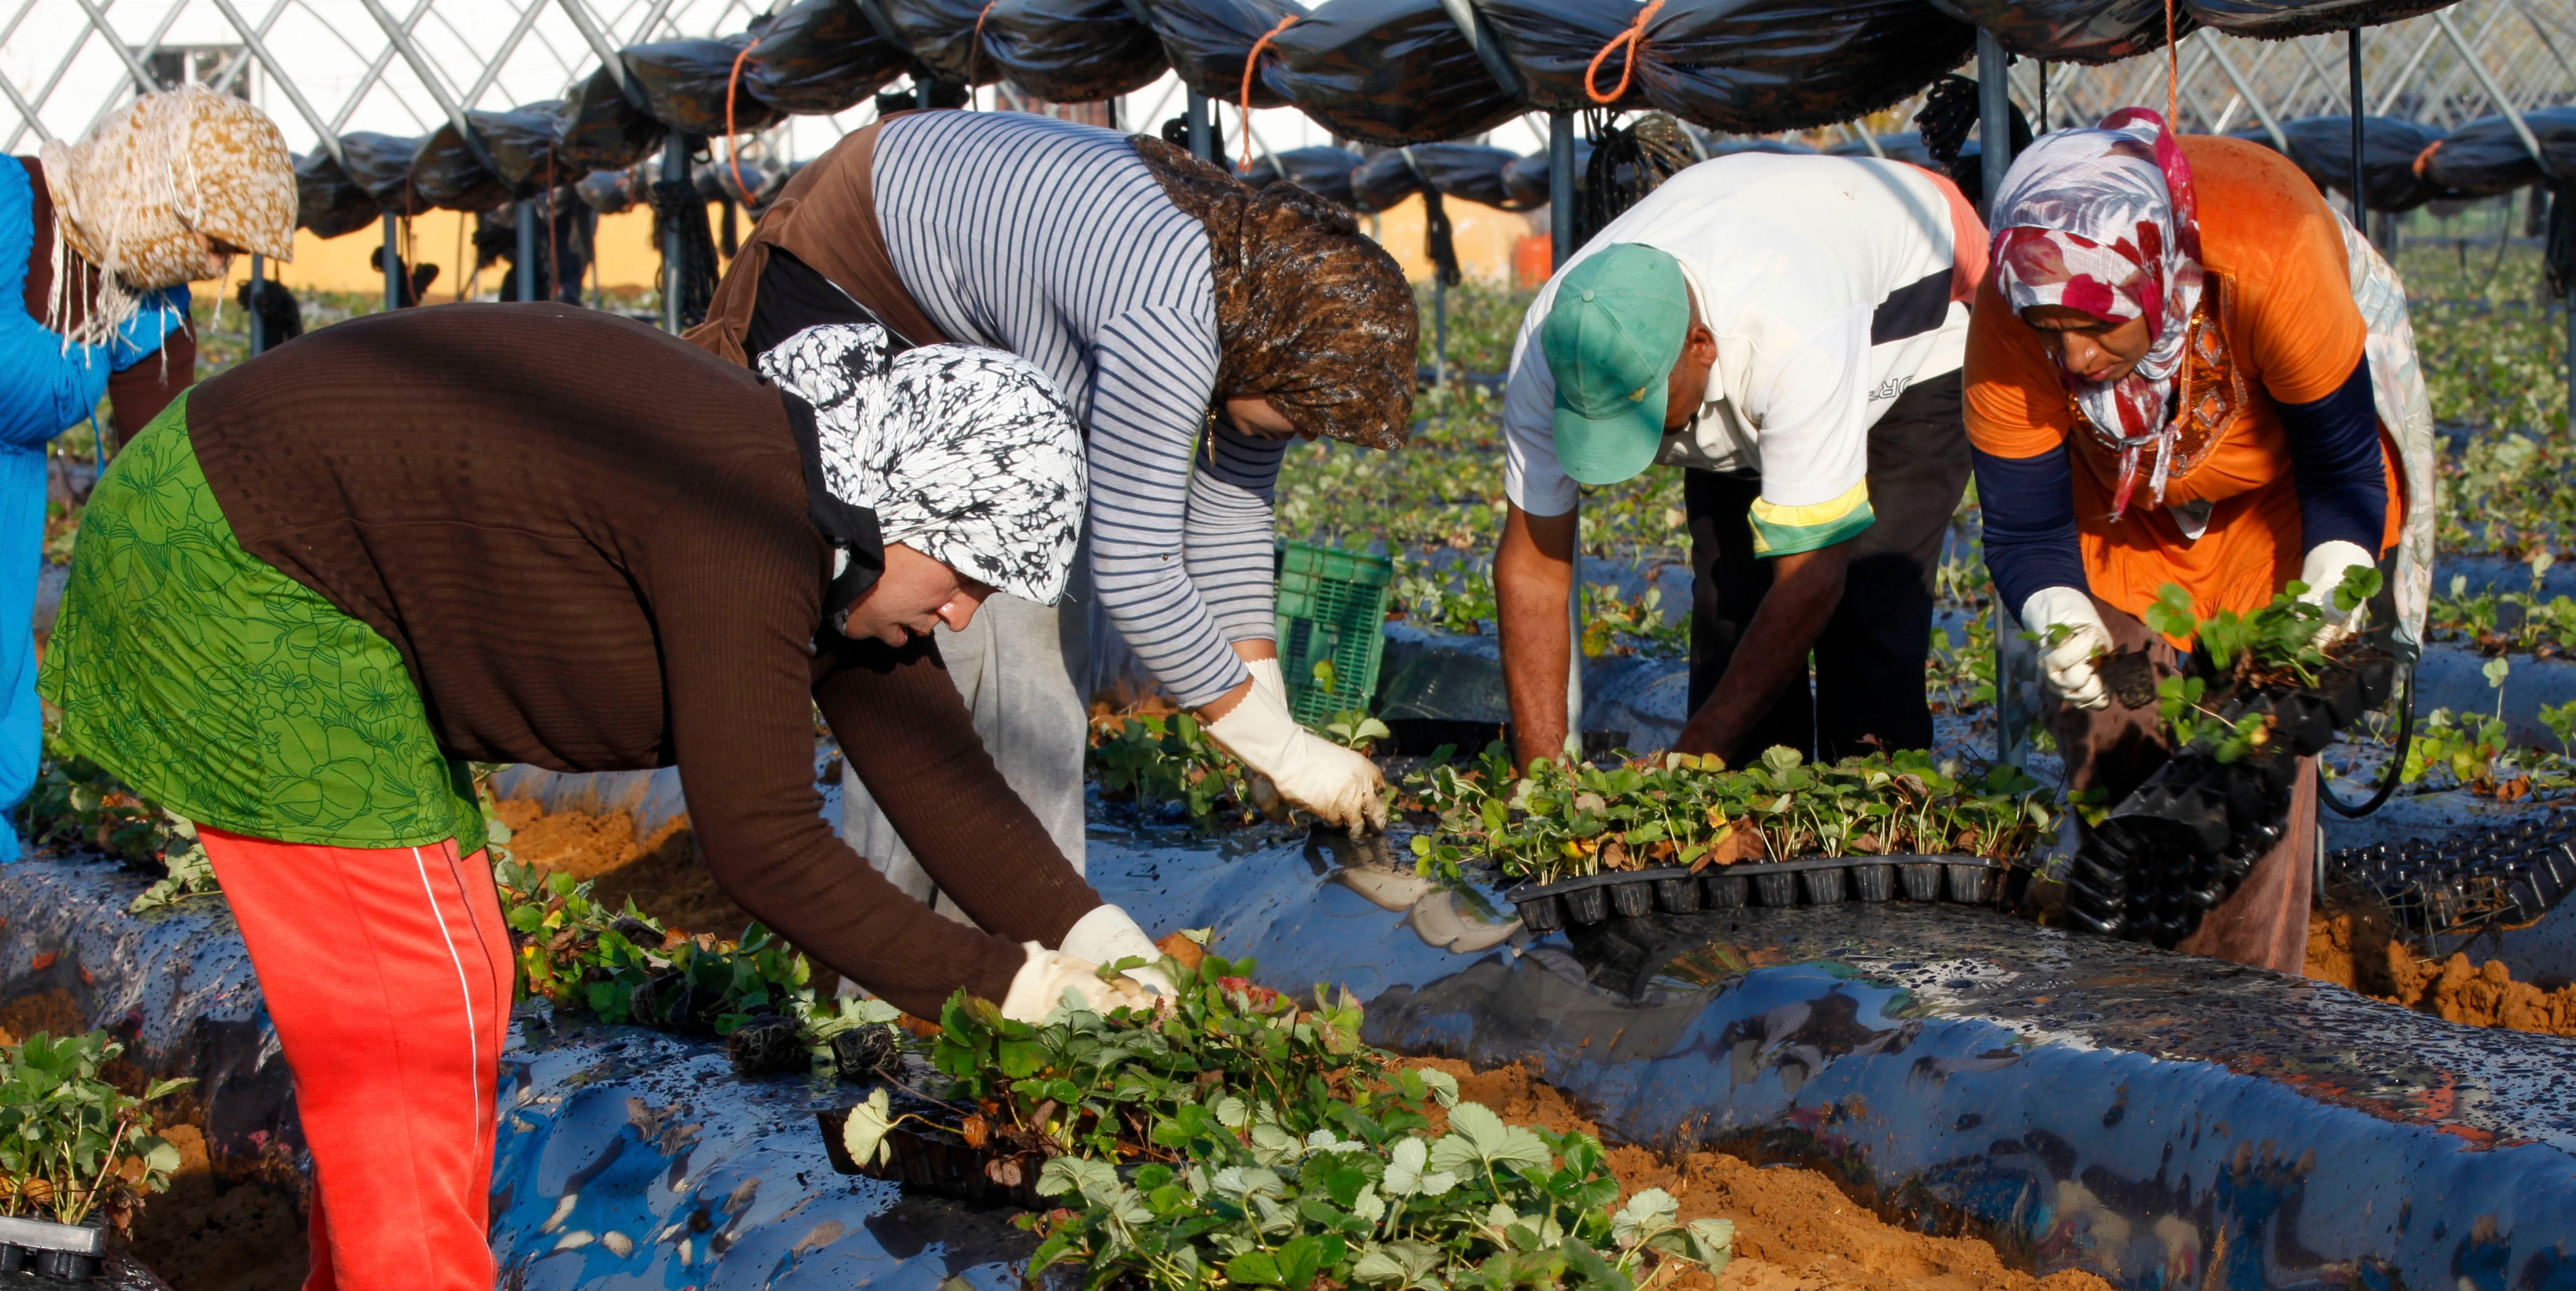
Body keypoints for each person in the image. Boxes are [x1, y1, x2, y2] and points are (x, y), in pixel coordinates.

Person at [42, 304, 1168, 1291]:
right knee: (415, 1006)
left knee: (459, 981)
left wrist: (1105, 940)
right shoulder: (747, 523)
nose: (963, 611)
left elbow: (944, 785)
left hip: (303, 573)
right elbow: (765, 846)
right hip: (240, 570)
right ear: (902, 506)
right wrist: (1017, 991)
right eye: (968, 572)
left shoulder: (841, 537)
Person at [690, 108, 1416, 905]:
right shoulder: (1171, 313)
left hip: (964, 298)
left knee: (1034, 637)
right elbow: (1137, 570)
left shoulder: (1260, 320)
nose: (1305, 434)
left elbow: (1230, 519)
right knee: (939, 643)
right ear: (1284, 358)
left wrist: (1267, 723)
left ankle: (1035, 930)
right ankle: (896, 949)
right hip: (860, 270)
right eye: (1305, 418)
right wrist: (1284, 750)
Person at [1967, 109, 2430, 973]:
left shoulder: (2269, 251)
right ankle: (2131, 973)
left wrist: (2334, 571)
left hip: (2277, 511)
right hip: (2122, 524)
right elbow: (2025, 520)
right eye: (2051, 332)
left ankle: (2245, 1008)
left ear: (2154, 282)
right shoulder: (2013, 309)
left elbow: (2340, 470)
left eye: (2099, 325)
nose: (2073, 357)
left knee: (2248, 754)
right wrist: (2057, 607)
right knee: (2110, 716)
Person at [1493, 150, 1988, 767]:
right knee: (1732, 600)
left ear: (1701, 346)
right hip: (1763, 309)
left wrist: (1694, 754)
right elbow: (1532, 568)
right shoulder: (1555, 345)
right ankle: (1742, 819)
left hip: (1915, 323)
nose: (1636, 445)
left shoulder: (1790, 334)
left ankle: (1873, 823)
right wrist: (1539, 774)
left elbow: (1812, 577)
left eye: (1644, 412)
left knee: (1867, 609)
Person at [3, 88, 292, 859]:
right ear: (158, 192)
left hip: (12, 496)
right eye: (213, 238)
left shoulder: (139, 293)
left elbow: (166, 464)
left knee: (3, 697)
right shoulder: (8, 208)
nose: (218, 264)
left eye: (229, 250)